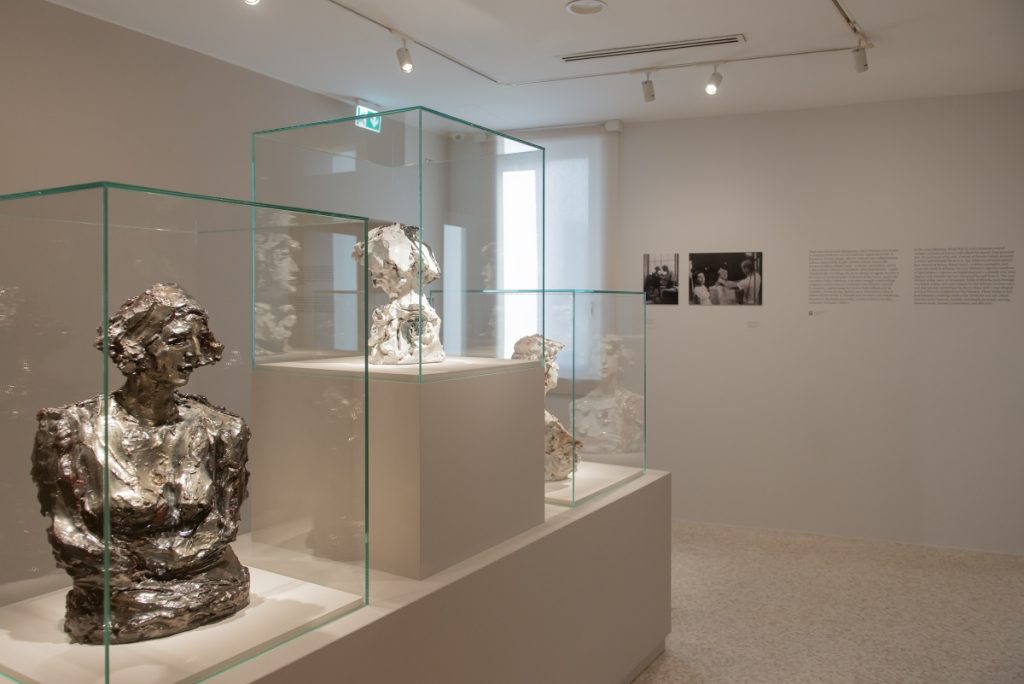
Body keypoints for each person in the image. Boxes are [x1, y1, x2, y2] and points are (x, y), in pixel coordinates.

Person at [31, 283, 250, 644]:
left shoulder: (223, 430)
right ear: (137, 345)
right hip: (115, 588)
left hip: (209, 577)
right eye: (178, 341)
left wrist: (150, 564)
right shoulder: (71, 429)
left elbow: (222, 527)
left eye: (199, 340)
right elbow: (69, 532)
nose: (194, 353)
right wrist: (136, 568)